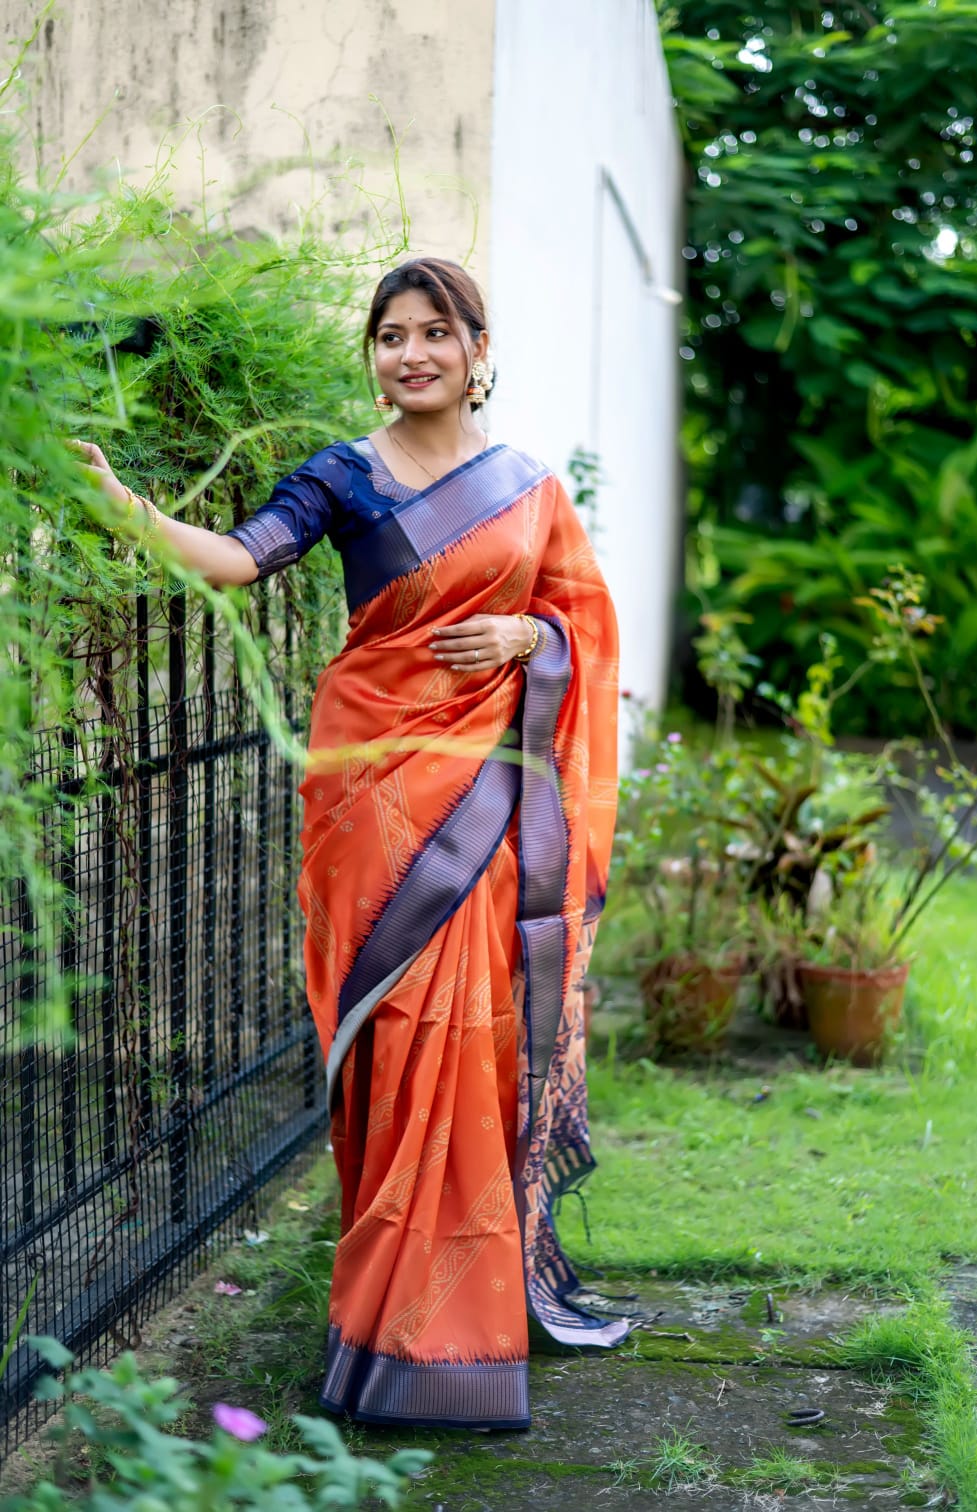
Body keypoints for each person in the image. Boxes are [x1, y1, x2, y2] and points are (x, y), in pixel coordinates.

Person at [74, 256, 626, 1430]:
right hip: (377, 808)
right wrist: (128, 510)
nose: (411, 353)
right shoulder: (344, 478)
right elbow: (239, 556)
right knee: (398, 1046)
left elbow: (581, 620)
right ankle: (389, 1320)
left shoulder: (528, 489)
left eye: (435, 332)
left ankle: (454, 1325)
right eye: (390, 335)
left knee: (467, 1042)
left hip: (489, 798)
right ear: (372, 354)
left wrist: (532, 634)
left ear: (479, 349)